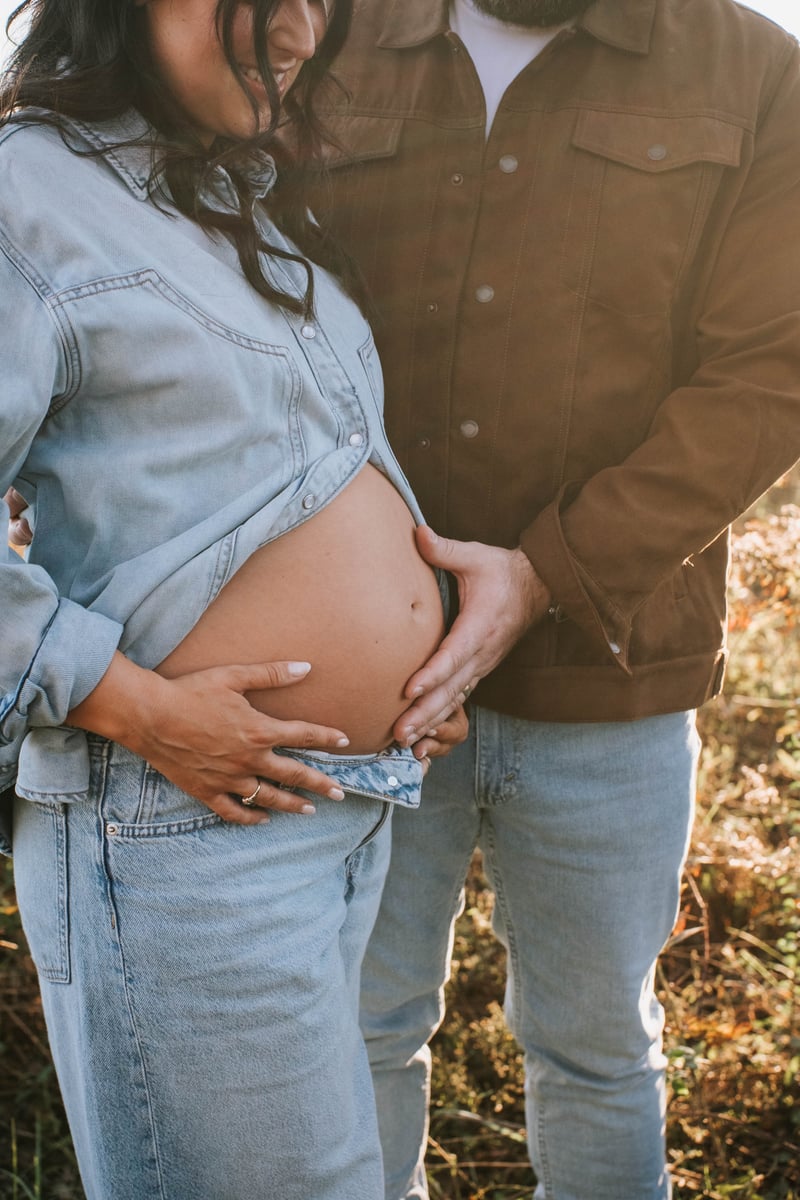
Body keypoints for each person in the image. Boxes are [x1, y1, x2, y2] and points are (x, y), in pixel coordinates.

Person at [297, 1, 800, 1197]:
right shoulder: (321, 31)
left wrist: (540, 578)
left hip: (609, 675)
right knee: (359, 1029)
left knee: (594, 1047)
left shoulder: (755, 71)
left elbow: (767, 372)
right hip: (368, 679)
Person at [0, 2, 467, 1198]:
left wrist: (412, 662)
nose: (302, 33)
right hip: (180, 825)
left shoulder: (234, 203)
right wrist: (132, 706)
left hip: (338, 812)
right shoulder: (26, 197)